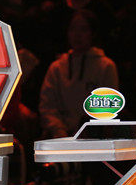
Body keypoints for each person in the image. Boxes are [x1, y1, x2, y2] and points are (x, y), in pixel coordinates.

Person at [39, 9, 118, 138]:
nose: (77, 34)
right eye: (73, 29)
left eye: (83, 29)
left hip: (93, 137)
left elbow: (107, 108)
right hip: (60, 136)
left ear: (93, 33)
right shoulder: (56, 68)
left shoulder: (106, 66)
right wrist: (59, 130)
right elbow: (47, 106)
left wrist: (86, 131)